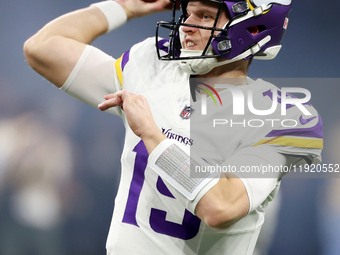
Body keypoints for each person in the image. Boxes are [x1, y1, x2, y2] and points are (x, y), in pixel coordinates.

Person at [23, 0, 323, 254]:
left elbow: (220, 207)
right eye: (187, 13)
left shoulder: (282, 115)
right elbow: (42, 48)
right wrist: (124, 7)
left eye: (204, 16)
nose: (186, 26)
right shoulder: (153, 67)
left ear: (253, 26)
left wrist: (154, 136)